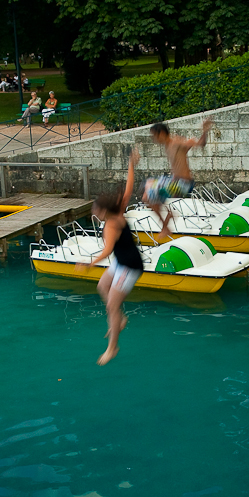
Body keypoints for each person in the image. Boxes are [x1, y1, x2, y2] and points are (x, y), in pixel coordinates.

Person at [79, 149, 143, 365]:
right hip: (120, 260)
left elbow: (106, 251)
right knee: (102, 286)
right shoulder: (119, 210)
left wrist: (89, 264)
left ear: (103, 211)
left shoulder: (111, 224)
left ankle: (112, 347)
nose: (93, 211)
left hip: (129, 266)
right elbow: (128, 189)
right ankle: (119, 317)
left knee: (112, 307)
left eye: (95, 209)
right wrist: (131, 164)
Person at [143, 118, 213, 236]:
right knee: (147, 191)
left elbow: (199, 144)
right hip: (175, 182)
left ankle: (166, 225)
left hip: (184, 184)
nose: (153, 139)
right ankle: (168, 216)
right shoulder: (168, 145)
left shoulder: (176, 142)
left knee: (149, 193)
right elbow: (179, 160)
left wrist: (205, 131)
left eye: (154, 136)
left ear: (162, 133)